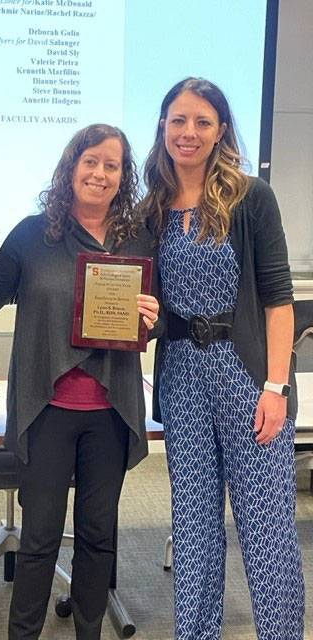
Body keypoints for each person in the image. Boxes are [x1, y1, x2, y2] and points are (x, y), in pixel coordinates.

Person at [142, 77, 305, 639]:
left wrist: (277, 388)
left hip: (249, 379)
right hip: (183, 379)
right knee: (193, 528)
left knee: (267, 529)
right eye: (179, 120)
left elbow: (279, 299)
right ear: (163, 126)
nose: (189, 133)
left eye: (202, 122)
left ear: (220, 131)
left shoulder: (250, 197)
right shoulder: (152, 207)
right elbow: (155, 304)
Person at [0, 123, 161, 639]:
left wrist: (153, 316)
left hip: (110, 412)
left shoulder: (139, 240)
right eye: (91, 161)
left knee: (96, 536)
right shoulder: (32, 235)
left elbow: (163, 318)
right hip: (47, 411)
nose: (100, 173)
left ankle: (90, 632)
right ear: (71, 167)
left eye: (112, 165)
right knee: (39, 538)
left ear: (123, 176)